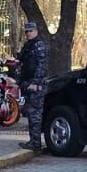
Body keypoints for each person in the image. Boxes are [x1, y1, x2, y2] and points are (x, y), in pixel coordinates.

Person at [17, 21, 50, 151]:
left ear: (36, 31)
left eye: (30, 31)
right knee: (31, 114)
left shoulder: (39, 45)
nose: (28, 33)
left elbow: (42, 66)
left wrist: (35, 82)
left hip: (36, 84)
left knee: (35, 114)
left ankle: (36, 142)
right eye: (26, 31)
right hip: (28, 82)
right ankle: (33, 141)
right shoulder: (29, 45)